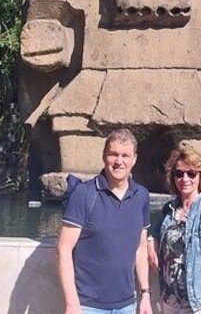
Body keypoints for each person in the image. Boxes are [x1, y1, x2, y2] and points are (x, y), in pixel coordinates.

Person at [57, 128, 153, 314]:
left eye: (125, 155)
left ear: (134, 159)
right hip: (88, 306)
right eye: (113, 154)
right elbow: (63, 249)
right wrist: (72, 303)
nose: (119, 161)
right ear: (104, 156)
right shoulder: (84, 194)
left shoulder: (141, 195)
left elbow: (140, 248)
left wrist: (146, 294)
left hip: (127, 305)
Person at [148, 146, 201, 314]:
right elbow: (155, 231)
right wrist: (151, 241)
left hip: (196, 305)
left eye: (191, 173)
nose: (184, 179)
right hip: (169, 302)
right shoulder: (169, 209)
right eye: (179, 173)